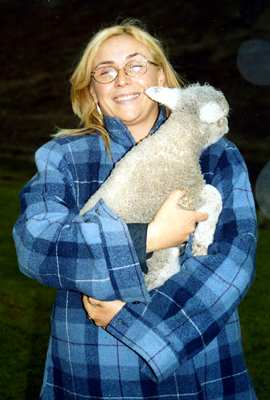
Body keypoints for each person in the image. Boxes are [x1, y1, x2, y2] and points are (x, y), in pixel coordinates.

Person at [13, 20, 257, 400]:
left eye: (136, 65)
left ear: (162, 78)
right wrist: (150, 236)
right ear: (92, 92)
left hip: (196, 364)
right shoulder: (64, 157)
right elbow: (36, 243)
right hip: (93, 368)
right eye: (105, 71)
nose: (122, 79)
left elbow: (232, 260)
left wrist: (131, 324)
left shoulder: (217, 155)